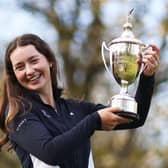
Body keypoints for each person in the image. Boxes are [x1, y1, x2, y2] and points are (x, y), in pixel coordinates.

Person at [0, 34, 159, 168]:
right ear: (14, 74)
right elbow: (50, 152)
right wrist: (95, 120)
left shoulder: (75, 108)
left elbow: (134, 118)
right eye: (20, 67)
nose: (29, 71)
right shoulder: (18, 114)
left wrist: (147, 76)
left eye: (33, 61)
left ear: (49, 60)